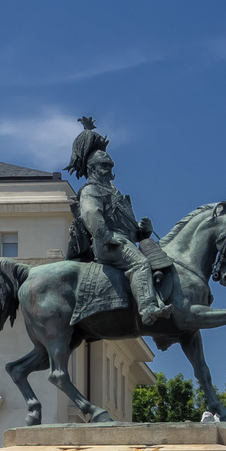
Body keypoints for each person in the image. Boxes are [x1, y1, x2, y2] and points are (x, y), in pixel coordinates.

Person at [67, 117, 170, 325]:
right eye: (104, 166)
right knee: (140, 264)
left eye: (110, 166)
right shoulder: (91, 190)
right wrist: (106, 237)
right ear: (92, 169)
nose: (110, 172)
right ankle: (148, 309)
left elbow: (127, 225)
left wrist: (143, 231)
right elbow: (91, 215)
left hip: (123, 239)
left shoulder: (114, 193)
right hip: (108, 243)